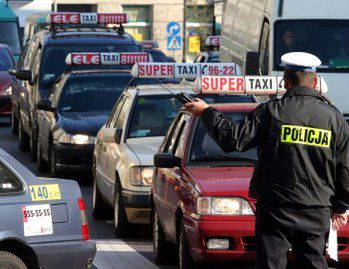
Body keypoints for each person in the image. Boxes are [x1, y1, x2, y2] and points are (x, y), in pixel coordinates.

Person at [184, 52, 349, 269]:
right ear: (315, 82)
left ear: (285, 81)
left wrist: (206, 112)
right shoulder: (334, 118)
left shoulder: (271, 111)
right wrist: (341, 206)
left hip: (275, 210)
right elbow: (344, 168)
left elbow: (234, 140)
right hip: (316, 209)